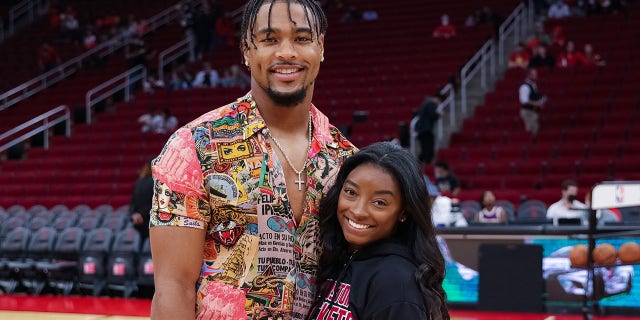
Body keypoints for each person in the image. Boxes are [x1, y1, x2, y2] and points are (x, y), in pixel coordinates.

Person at [149, 1, 357, 319]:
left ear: (321, 47)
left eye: (301, 38)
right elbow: (173, 286)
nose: (286, 52)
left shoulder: (348, 161)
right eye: (270, 39)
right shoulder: (194, 148)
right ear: (246, 50)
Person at [309, 142, 449, 320]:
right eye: (351, 192)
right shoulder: (338, 257)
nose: (358, 211)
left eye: (379, 202)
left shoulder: (396, 283)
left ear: (403, 212)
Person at [414, 94, 444, 164]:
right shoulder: (430, 104)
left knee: (425, 149)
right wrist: (439, 114)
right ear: (437, 99)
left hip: (422, 130)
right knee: (428, 149)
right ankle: (426, 163)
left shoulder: (426, 103)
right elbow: (433, 115)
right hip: (425, 130)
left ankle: (420, 163)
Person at [130, 162, 154, 240]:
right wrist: (142, 215)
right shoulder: (155, 182)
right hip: (149, 220)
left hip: (137, 221)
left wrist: (134, 215)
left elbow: (132, 203)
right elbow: (155, 203)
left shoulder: (138, 182)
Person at [518, 68, 546, 136]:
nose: (536, 76)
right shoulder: (525, 86)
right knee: (531, 131)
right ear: (529, 75)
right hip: (528, 112)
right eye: (534, 74)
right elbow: (524, 101)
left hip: (533, 111)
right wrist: (537, 104)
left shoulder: (533, 85)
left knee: (535, 130)